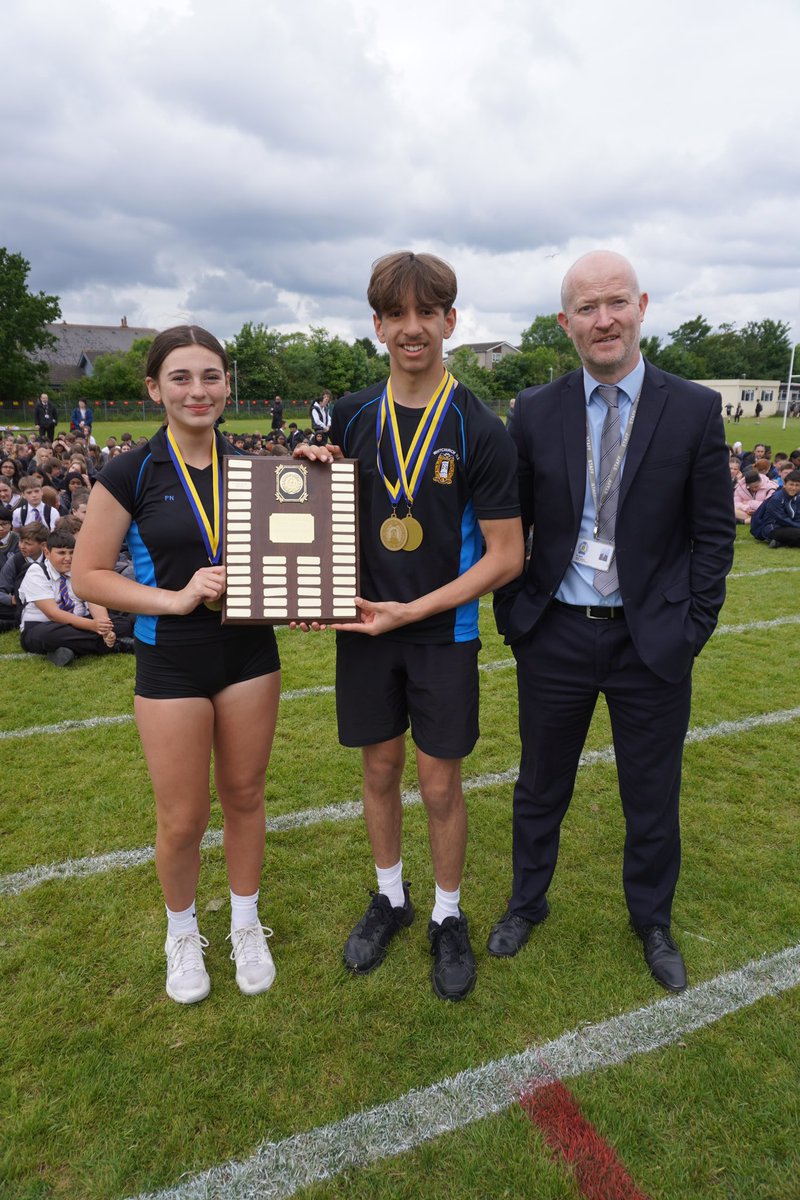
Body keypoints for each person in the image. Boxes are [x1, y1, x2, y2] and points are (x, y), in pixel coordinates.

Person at [489, 250, 735, 992]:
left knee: (651, 793)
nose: (604, 320)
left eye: (615, 303)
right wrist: (517, 616)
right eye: (587, 308)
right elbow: (512, 523)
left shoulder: (692, 408)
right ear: (565, 324)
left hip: (649, 638)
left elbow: (714, 534)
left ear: (642, 306)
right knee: (540, 785)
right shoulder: (535, 409)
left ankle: (651, 921)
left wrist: (689, 627)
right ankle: (526, 903)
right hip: (556, 630)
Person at [296, 252, 524, 1001]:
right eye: (397, 314)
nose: (412, 327)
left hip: (440, 635)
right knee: (378, 770)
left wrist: (415, 610)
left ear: (450, 322)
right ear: (378, 326)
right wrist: (306, 475)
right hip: (363, 629)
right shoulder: (354, 416)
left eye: (428, 312)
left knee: (439, 783)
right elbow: (312, 515)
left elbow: (507, 556)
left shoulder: (480, 427)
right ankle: (391, 898)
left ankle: (447, 915)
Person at [72, 325, 281, 1005]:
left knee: (247, 796)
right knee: (183, 818)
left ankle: (247, 923)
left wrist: (312, 470)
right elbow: (89, 575)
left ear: (228, 384)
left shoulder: (255, 466)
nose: (199, 390)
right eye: (182, 377)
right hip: (172, 665)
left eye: (212, 376)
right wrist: (175, 596)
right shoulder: (129, 471)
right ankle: (183, 931)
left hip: (250, 654)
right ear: (154, 387)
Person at [19, 528, 133, 665]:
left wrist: (104, 627)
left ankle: (65, 650)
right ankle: (116, 645)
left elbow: (94, 600)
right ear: (47, 552)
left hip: (80, 622)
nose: (68, 558)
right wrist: (92, 626)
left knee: (123, 624)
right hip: (44, 626)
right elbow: (52, 614)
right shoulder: (37, 571)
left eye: (72, 553)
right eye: (61, 553)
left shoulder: (79, 570)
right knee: (48, 636)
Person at [750, 469, 800, 546]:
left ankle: (780, 543)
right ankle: (779, 540)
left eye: (797, 485)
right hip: (773, 528)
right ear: (784, 484)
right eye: (791, 484)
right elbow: (782, 519)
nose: (794, 488)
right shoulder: (776, 498)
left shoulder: (797, 497)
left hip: (789, 527)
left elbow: (797, 516)